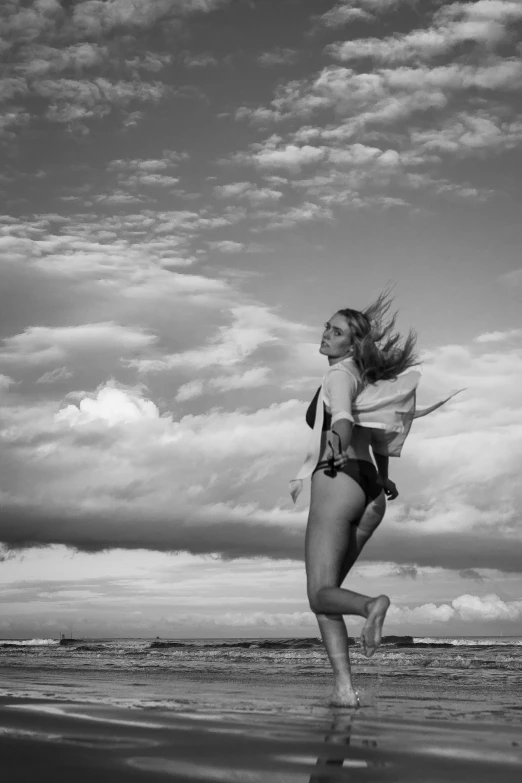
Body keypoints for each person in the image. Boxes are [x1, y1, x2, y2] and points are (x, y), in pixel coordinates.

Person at [290, 291, 461, 707]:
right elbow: (384, 438)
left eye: (337, 332)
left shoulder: (339, 377)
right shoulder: (371, 382)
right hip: (369, 492)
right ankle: (345, 691)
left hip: (338, 480)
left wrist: (334, 449)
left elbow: (344, 419)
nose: (326, 334)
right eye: (327, 327)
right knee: (328, 593)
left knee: (318, 594)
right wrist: (383, 479)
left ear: (352, 345)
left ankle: (373, 605)